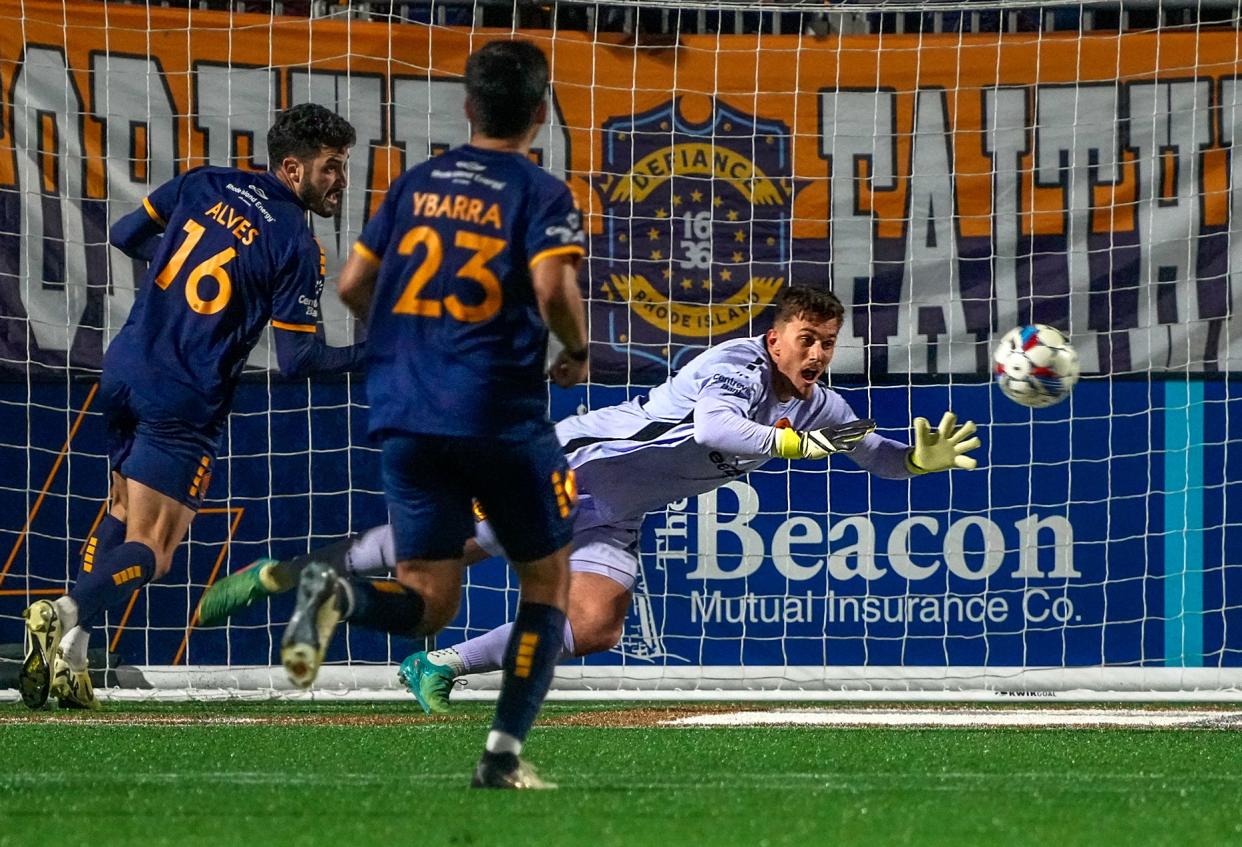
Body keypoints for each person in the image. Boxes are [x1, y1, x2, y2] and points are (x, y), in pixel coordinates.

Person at [201, 286, 982, 713]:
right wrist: (786, 444)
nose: (817, 352)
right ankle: (282, 571)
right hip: (579, 463)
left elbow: (872, 453)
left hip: (620, 509)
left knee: (597, 624)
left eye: (827, 341)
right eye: (806, 337)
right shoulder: (734, 365)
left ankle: (432, 665)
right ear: (774, 338)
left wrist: (916, 460)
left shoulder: (818, 404)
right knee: (448, 548)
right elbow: (718, 425)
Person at [289, 39, 590, 789]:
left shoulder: (416, 183)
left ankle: (334, 593)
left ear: (467, 106)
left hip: (404, 409)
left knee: (427, 604)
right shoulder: (539, 191)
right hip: (494, 410)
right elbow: (553, 287)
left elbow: (356, 280)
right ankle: (502, 756)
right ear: (542, 110)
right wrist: (577, 349)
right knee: (547, 583)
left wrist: (407, 342)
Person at [18, 103, 366, 711]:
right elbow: (299, 361)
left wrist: (174, 277)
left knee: (122, 511)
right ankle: (62, 610)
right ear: (291, 168)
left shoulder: (205, 180)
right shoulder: (295, 242)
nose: (340, 181)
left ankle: (71, 656)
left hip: (124, 369)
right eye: (331, 167)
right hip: (184, 397)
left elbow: (126, 234)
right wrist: (377, 350)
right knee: (154, 550)